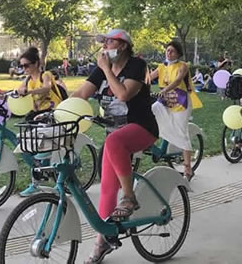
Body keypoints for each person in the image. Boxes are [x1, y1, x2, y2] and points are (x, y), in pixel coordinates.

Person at [71, 29, 158, 263]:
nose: (104, 46)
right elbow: (82, 93)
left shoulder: (137, 65)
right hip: (114, 136)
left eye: (108, 41)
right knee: (107, 189)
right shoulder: (101, 69)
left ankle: (129, 196)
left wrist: (107, 70)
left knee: (114, 141)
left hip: (142, 128)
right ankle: (103, 241)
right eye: (104, 42)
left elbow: (123, 95)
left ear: (123, 46)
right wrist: (59, 109)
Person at [150, 41, 202, 181]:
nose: (169, 53)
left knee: (181, 133)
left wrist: (165, 90)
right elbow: (148, 78)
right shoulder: (161, 67)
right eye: (167, 50)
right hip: (165, 101)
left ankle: (188, 169)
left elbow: (178, 80)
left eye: (172, 51)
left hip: (181, 103)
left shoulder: (182, 66)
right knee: (151, 111)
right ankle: (157, 139)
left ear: (178, 53)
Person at [16, 47, 63, 197]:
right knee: (25, 143)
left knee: (41, 147)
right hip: (37, 114)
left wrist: (29, 92)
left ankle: (40, 180)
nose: (24, 69)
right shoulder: (28, 79)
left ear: (36, 63)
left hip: (52, 112)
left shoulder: (46, 75)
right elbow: (19, 90)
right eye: (21, 66)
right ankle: (41, 172)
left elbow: (46, 88)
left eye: (26, 65)